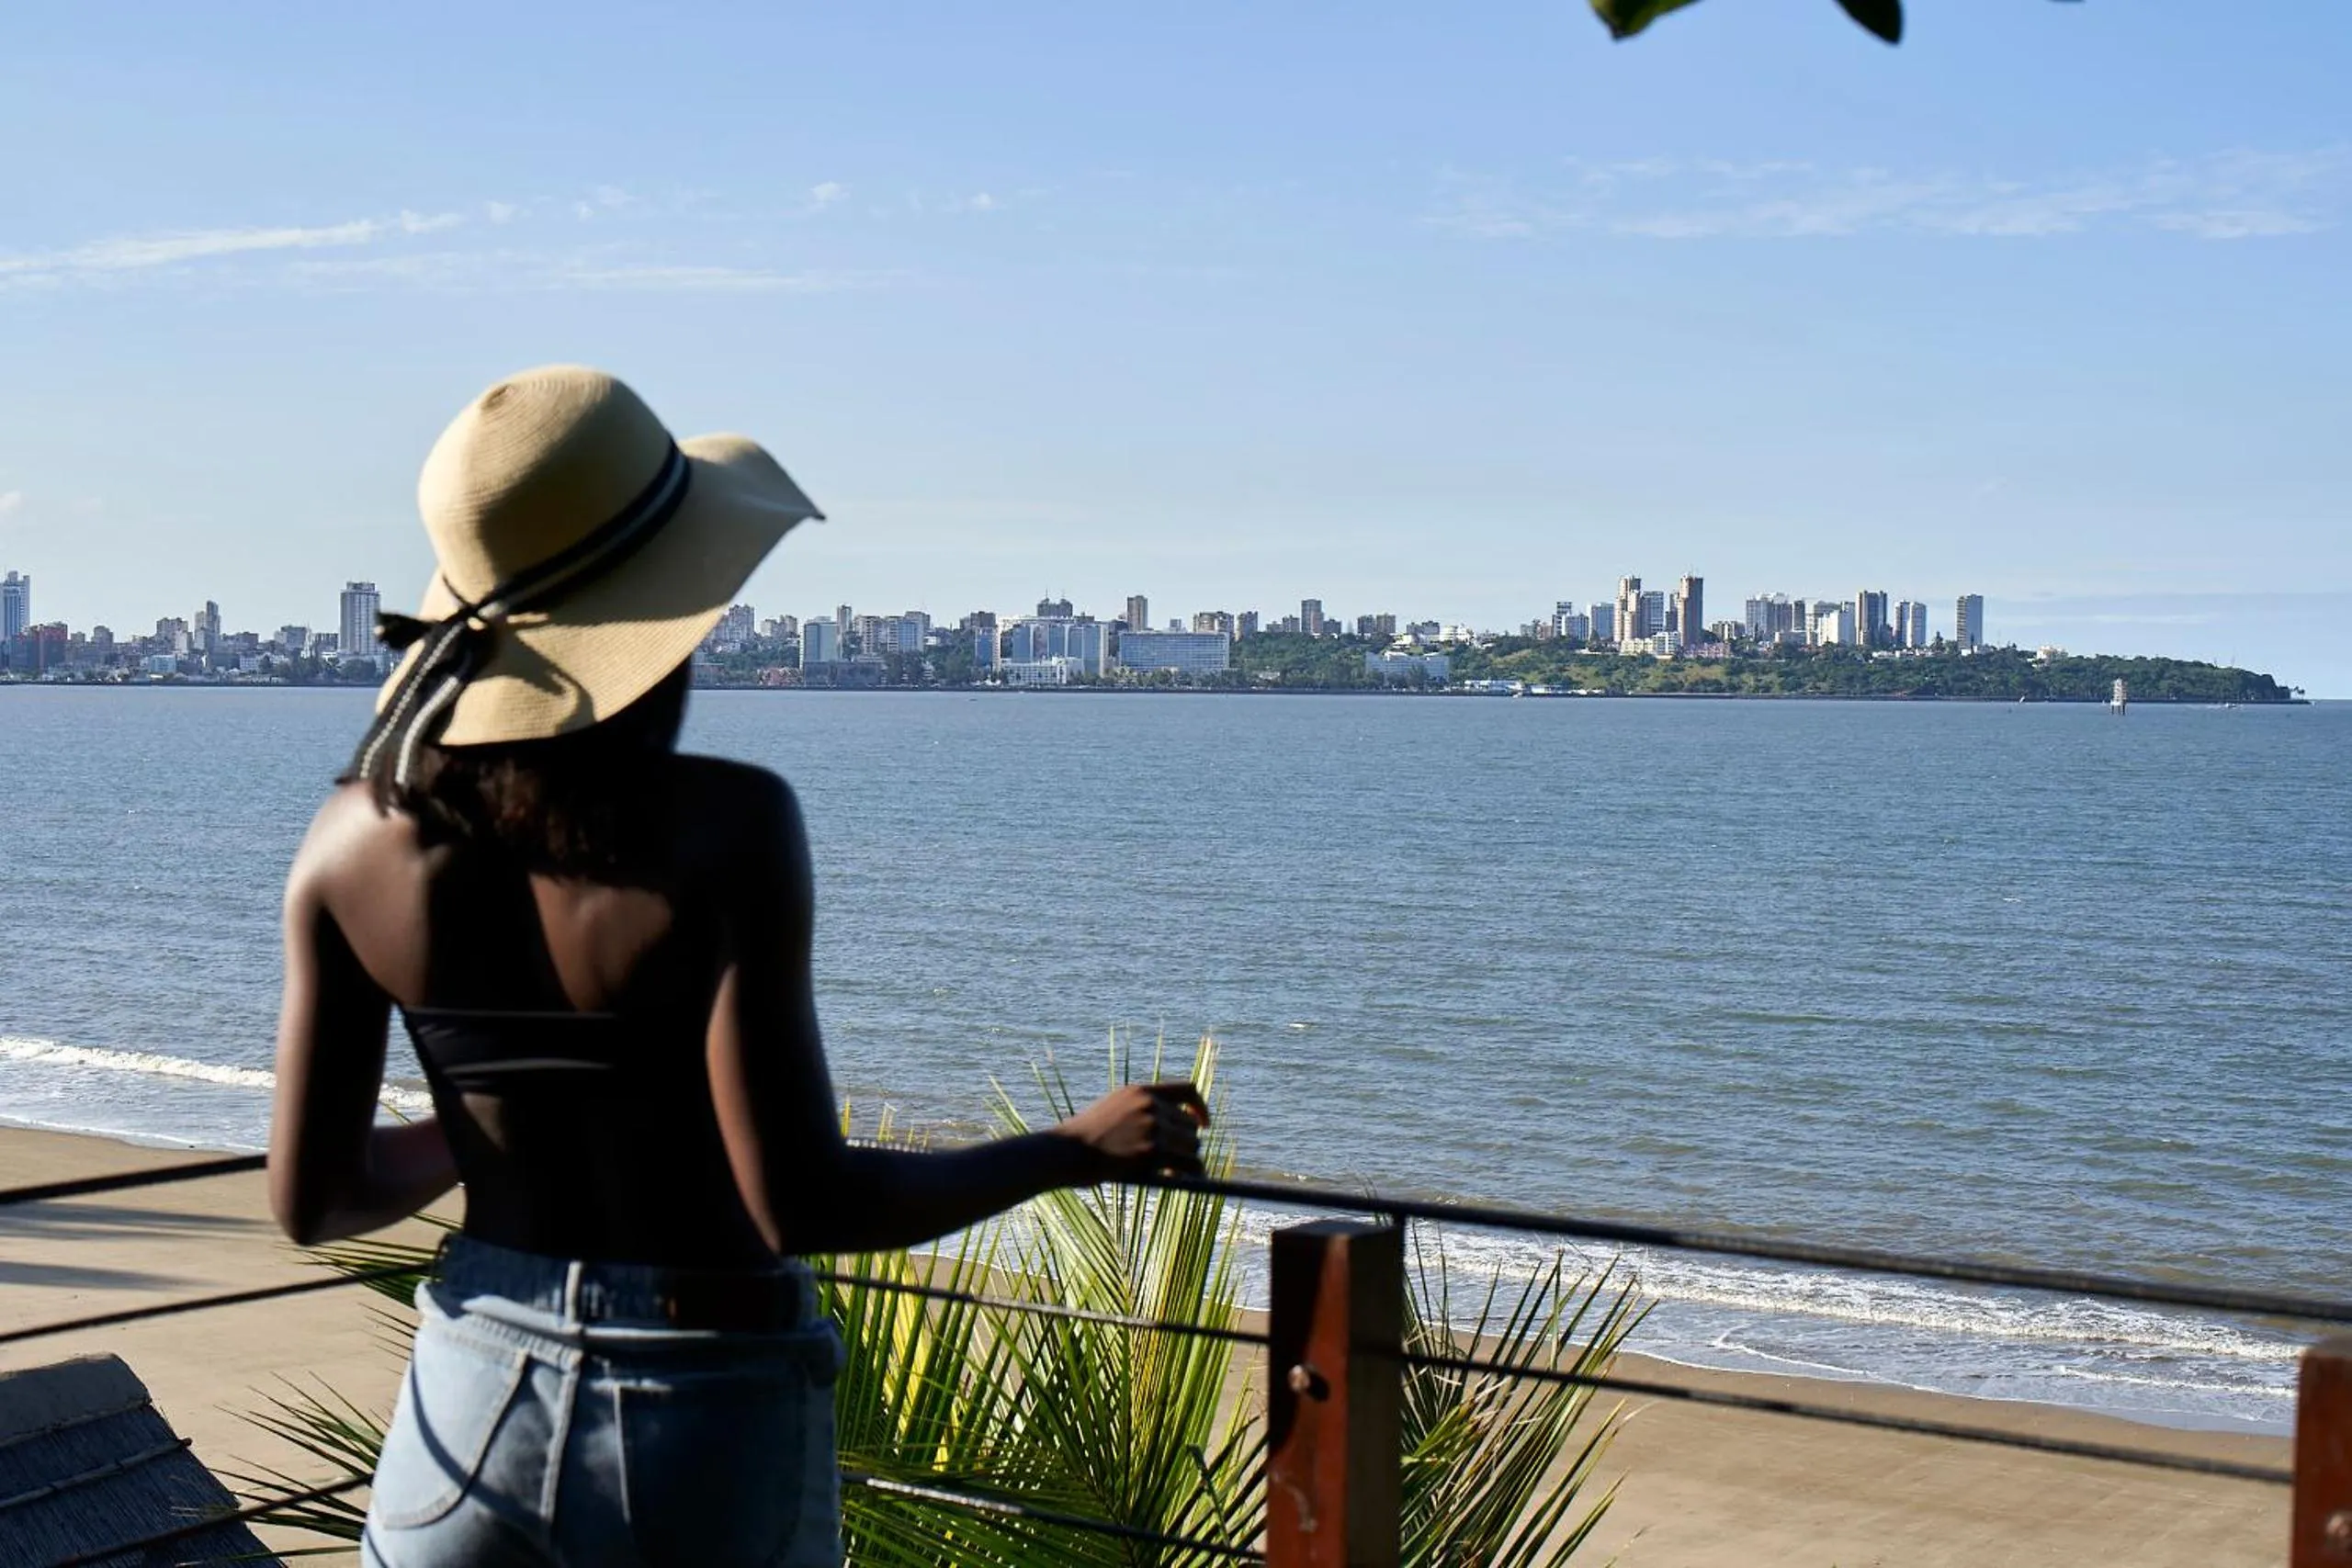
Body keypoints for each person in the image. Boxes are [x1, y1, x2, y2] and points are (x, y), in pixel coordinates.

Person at [266, 366, 1208, 1568]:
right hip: (695, 1421)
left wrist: (502, 1115)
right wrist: (1069, 1148)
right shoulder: (730, 825)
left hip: (460, 1421)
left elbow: (315, 1198)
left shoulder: (350, 838)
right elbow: (799, 1201)